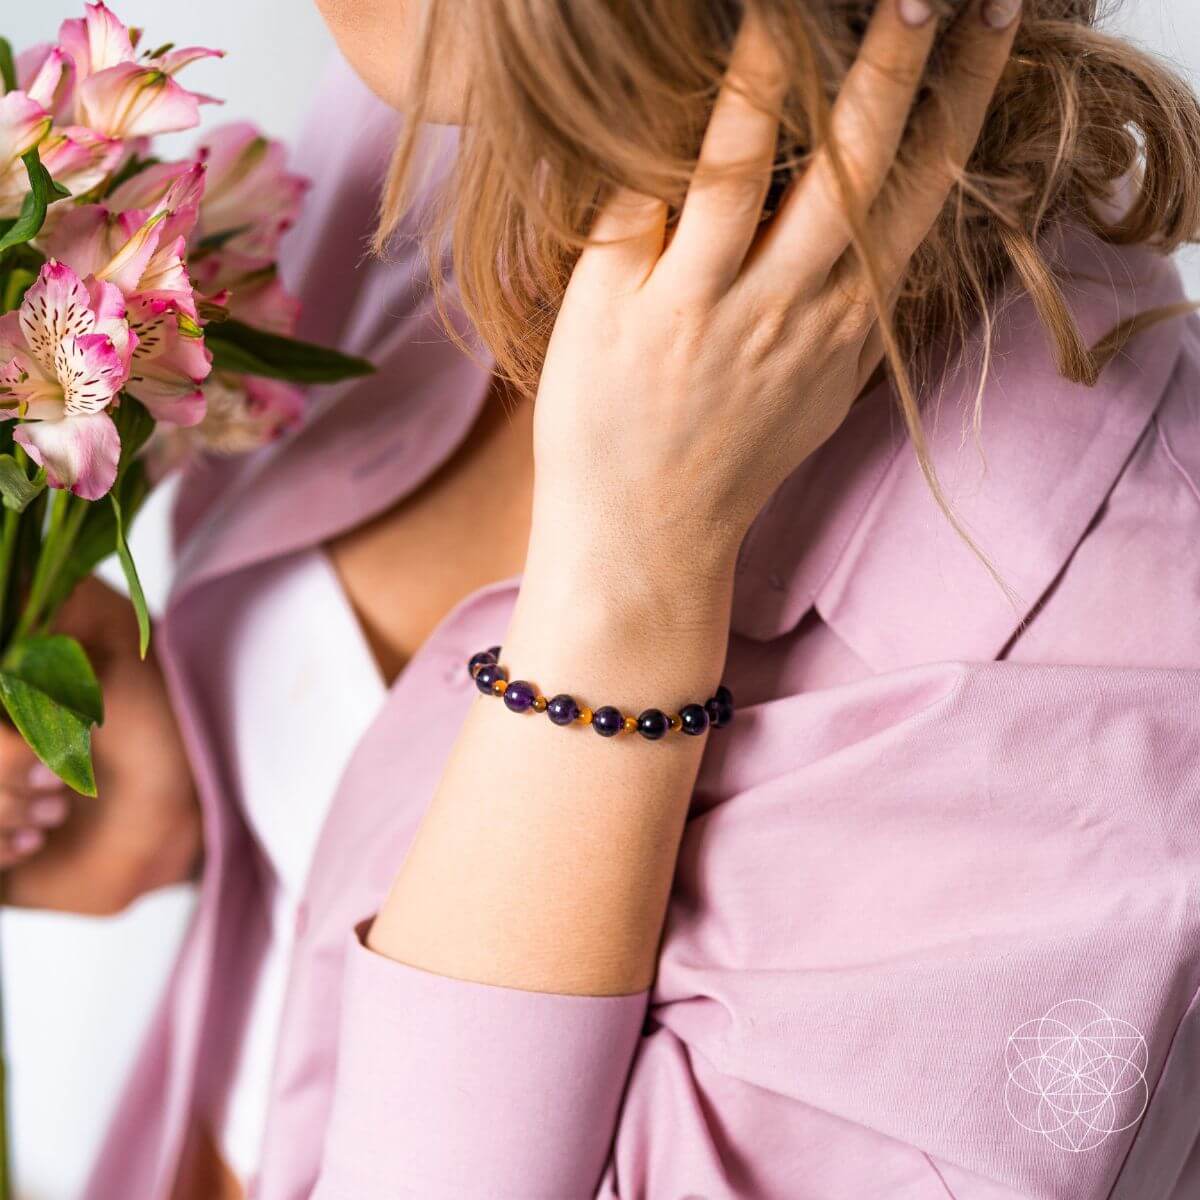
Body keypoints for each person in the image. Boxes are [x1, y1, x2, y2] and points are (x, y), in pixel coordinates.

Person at [4, 0, 1200, 1196]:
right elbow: (337, 847)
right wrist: (178, 775)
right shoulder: (448, 112)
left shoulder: (1105, 677)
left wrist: (631, 573)